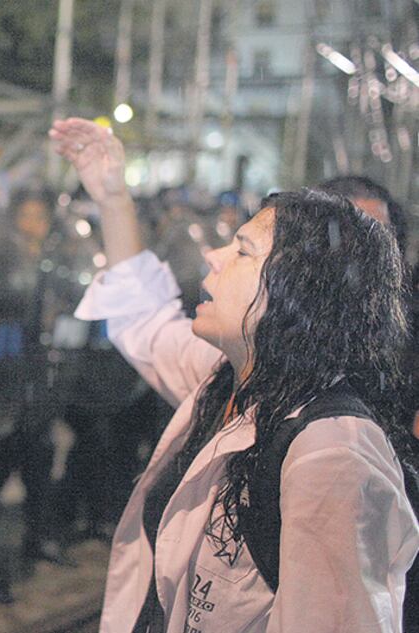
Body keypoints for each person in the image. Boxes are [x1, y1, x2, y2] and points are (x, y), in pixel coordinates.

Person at [49, 117, 419, 632]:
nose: (213, 254)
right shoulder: (231, 382)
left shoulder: (332, 454)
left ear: (299, 288)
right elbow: (143, 318)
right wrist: (112, 196)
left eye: (244, 250)